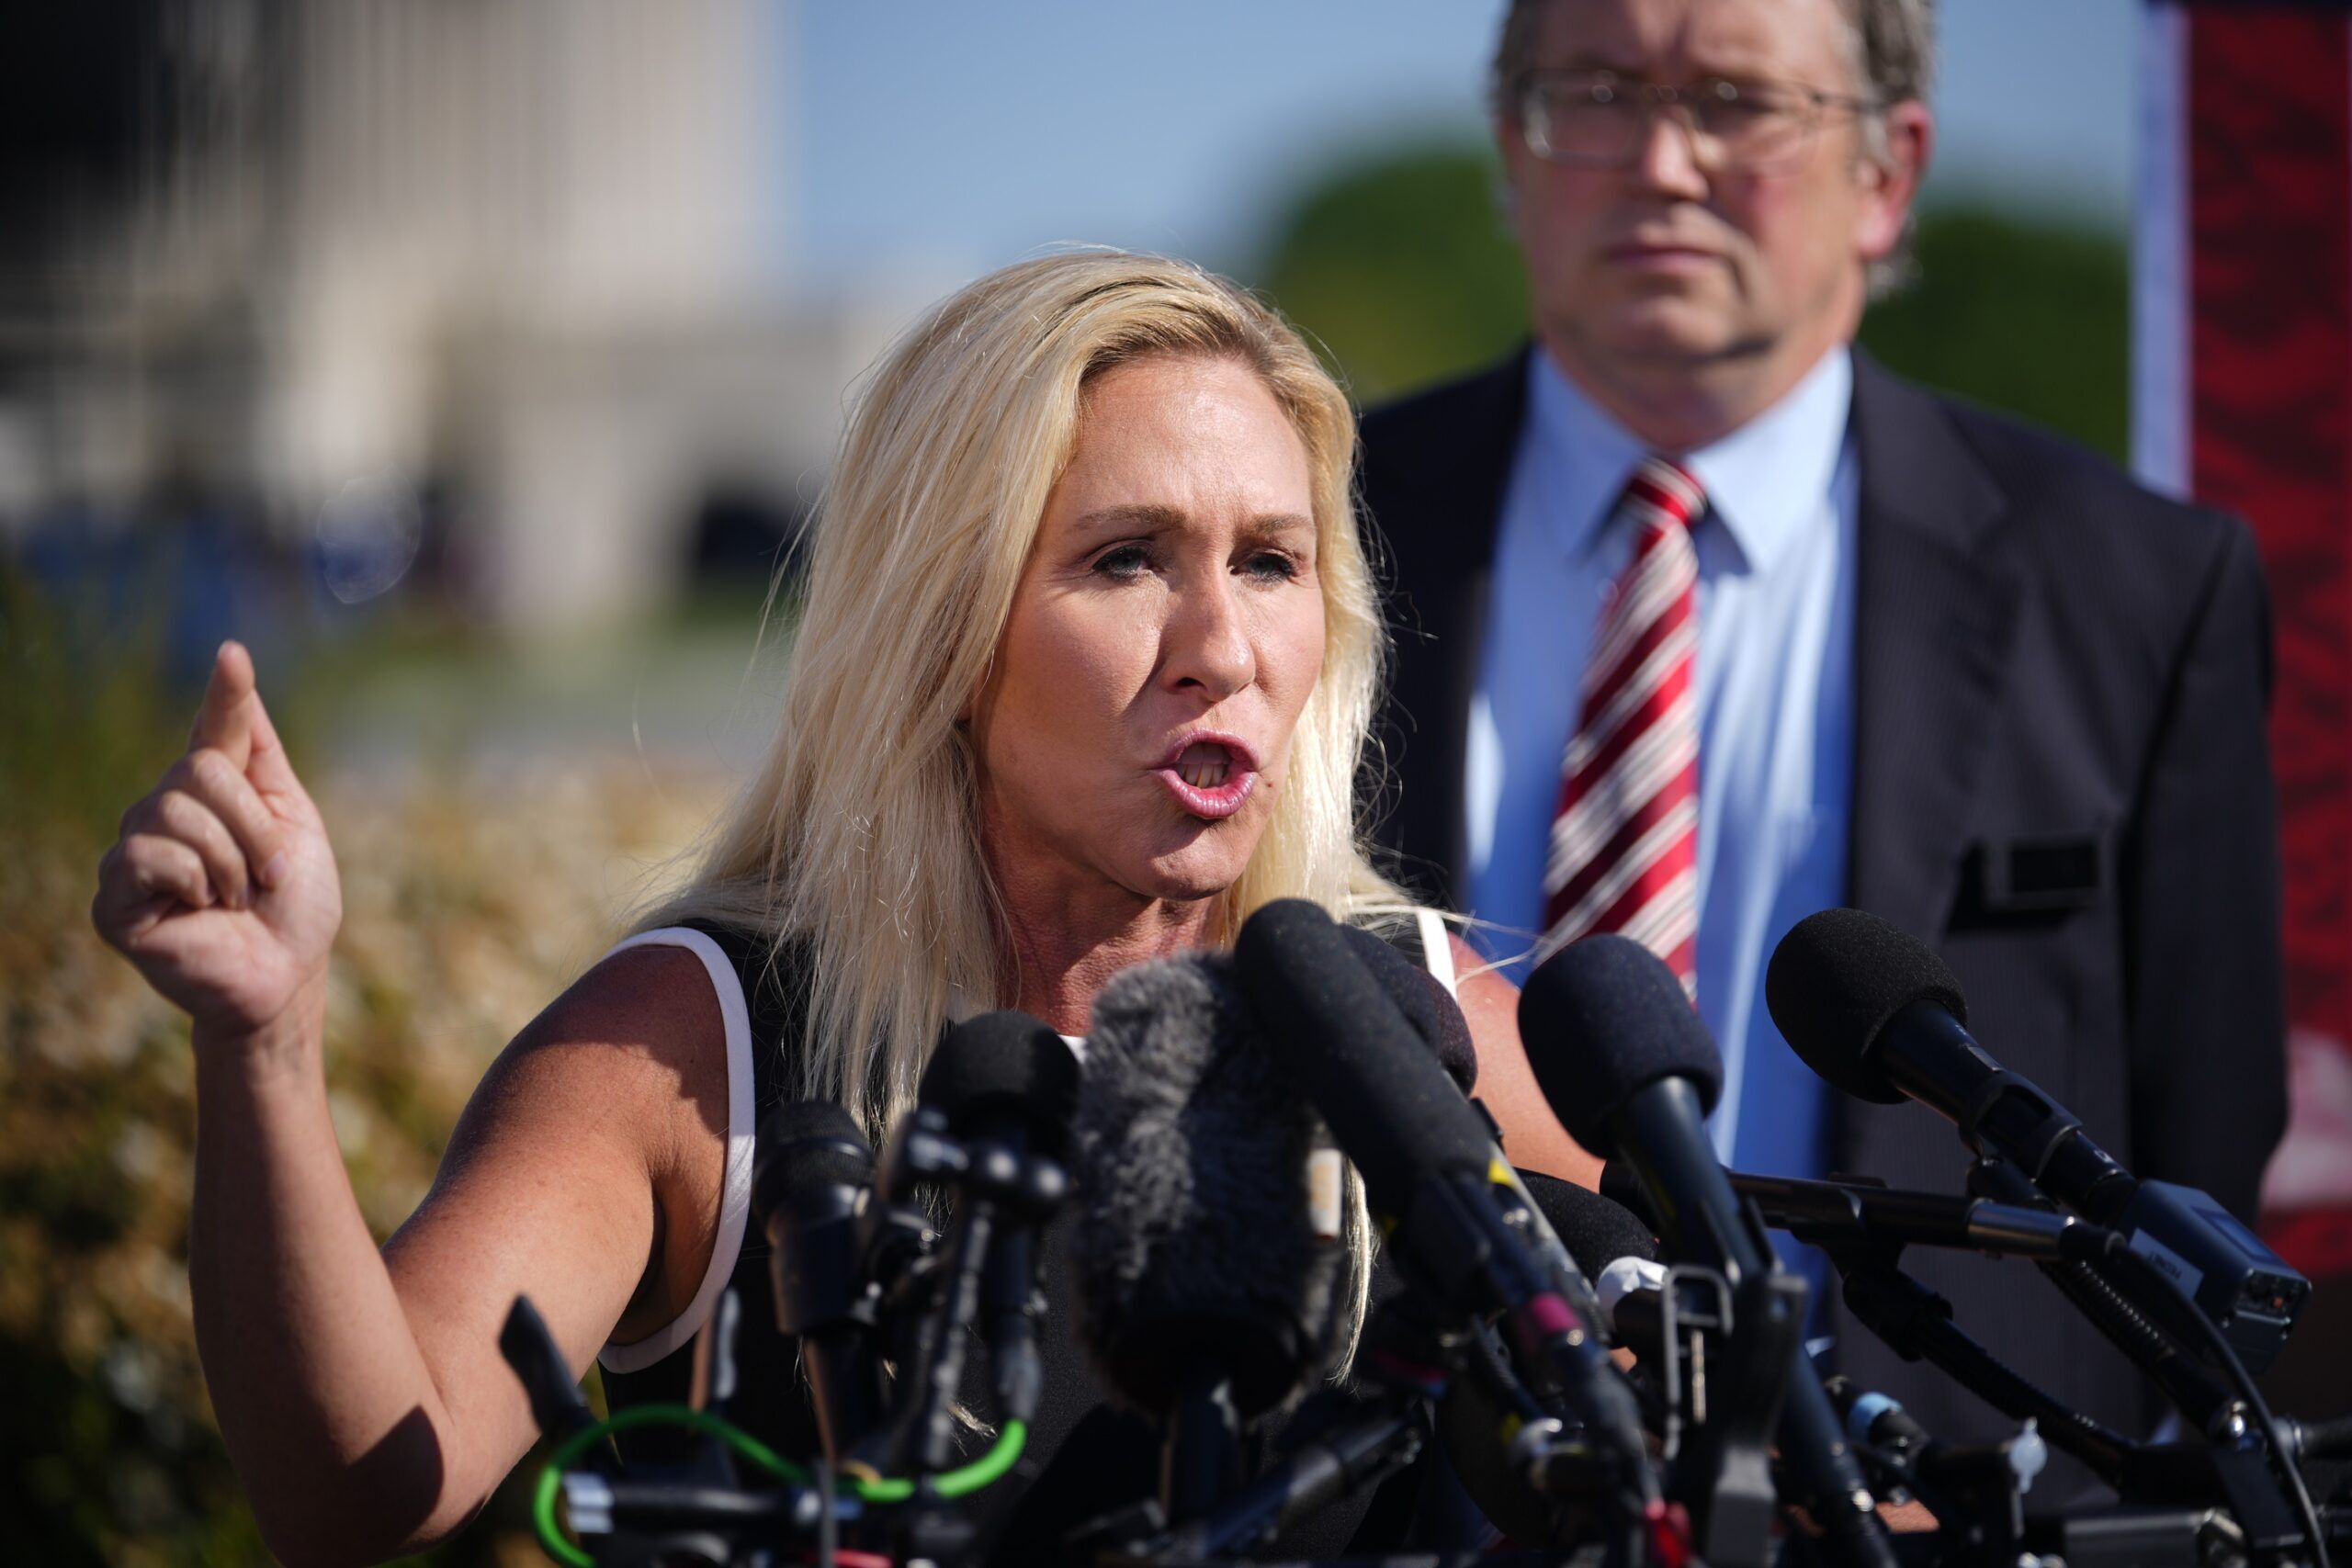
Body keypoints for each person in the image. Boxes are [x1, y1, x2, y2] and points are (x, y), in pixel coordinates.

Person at [89, 251, 1596, 1564]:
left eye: (1271, 564)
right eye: (1125, 559)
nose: (1223, 646)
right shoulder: (700, 1041)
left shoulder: (1409, 1020)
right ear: (942, 621)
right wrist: (266, 1040)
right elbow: (358, 1484)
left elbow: (1752, 1388)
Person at [1359, 0, 2286, 1460]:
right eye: (1594, 90)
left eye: (1737, 99)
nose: (1664, 160)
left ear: (1888, 172)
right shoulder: (1302, 539)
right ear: (1509, 144)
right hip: (1425, 1479)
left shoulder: (2140, 591)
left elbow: (2202, 1132)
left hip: (1942, 1497)